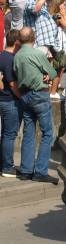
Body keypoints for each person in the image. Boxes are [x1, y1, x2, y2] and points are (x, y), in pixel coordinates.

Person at [13, 27, 58, 184]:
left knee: (28, 132)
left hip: (24, 95)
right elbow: (52, 74)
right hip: (39, 94)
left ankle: (26, 170)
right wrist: (44, 74)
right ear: (34, 37)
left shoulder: (17, 56)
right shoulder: (37, 53)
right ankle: (40, 171)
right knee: (47, 134)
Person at [0, 30, 22, 177]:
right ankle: (7, 167)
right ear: (16, 43)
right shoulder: (10, 59)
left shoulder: (1, 56)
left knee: (4, 134)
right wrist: (21, 97)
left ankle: (3, 163)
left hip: (3, 99)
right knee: (9, 134)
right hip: (10, 100)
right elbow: (12, 83)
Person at [47, 0, 66, 100]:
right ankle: (51, 92)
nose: (64, 6)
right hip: (56, 46)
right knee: (55, 69)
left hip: (59, 45)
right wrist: (64, 14)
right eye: (63, 4)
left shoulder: (55, 14)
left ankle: (52, 92)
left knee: (59, 68)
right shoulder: (57, 15)